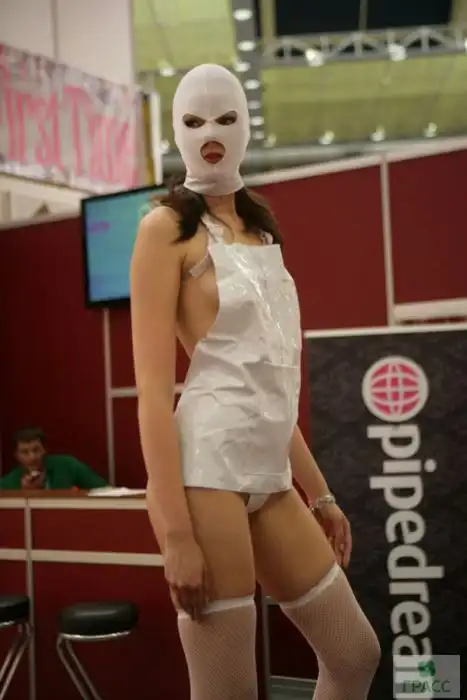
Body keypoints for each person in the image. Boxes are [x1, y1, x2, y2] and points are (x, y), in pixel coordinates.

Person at [130, 64, 380, 699]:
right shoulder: (164, 229)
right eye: (193, 121)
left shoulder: (262, 231)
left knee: (355, 655)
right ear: (176, 131)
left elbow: (268, 383)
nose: (210, 133)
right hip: (206, 471)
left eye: (225, 118)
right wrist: (174, 532)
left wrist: (319, 493)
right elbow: (154, 393)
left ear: (245, 125)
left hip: (270, 474)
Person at [0, 427, 108, 490]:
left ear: (44, 450)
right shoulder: (9, 482)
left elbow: (104, 490)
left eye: (36, 450)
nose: (32, 457)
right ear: (16, 455)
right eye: (25, 452)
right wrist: (24, 493)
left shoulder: (68, 465)